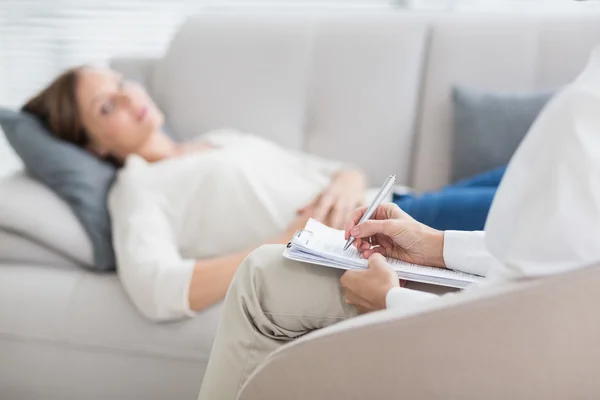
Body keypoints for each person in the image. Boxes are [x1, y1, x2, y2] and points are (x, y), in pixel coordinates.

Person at [197, 47, 600, 399]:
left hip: (498, 335)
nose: (131, 99)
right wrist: (437, 246)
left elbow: (532, 323)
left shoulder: (581, 116)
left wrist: (391, 301)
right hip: (494, 290)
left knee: (263, 274)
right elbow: (558, 264)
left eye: (129, 86)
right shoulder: (150, 184)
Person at [22, 66, 504, 321]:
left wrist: (343, 183)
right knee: (549, 203)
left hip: (409, 208)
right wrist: (286, 240)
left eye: (122, 84)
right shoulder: (137, 190)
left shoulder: (220, 138)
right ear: (92, 144)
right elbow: (158, 290)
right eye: (107, 107)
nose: (130, 98)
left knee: (530, 177)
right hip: (389, 235)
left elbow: (342, 169)